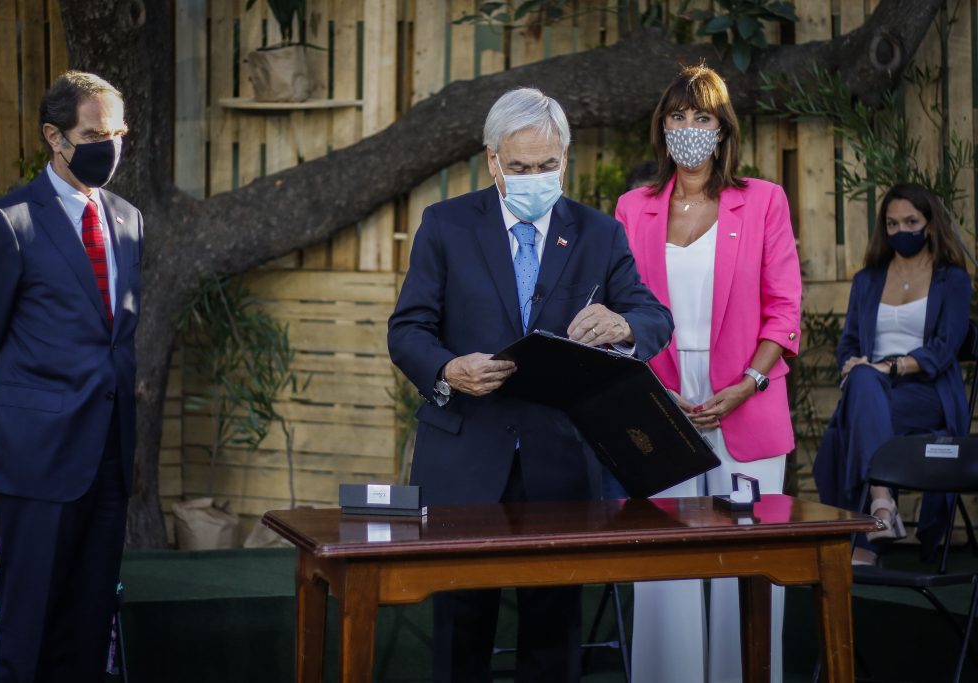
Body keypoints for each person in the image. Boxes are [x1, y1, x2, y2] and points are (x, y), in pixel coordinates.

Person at [388, 87, 673, 682]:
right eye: (520, 168)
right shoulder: (445, 225)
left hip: (560, 457)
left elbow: (654, 318)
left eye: (548, 166)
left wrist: (622, 325)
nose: (535, 177)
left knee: (553, 627)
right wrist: (446, 370)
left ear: (565, 158)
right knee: (460, 625)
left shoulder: (599, 233)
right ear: (493, 160)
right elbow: (408, 330)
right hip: (465, 452)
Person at [613, 64, 801, 683]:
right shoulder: (633, 208)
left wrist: (747, 384)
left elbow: (784, 311)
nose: (688, 128)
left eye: (701, 117)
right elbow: (620, 311)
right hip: (659, 405)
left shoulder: (764, 200)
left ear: (723, 129)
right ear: (660, 127)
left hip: (746, 403)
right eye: (676, 117)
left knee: (745, 574)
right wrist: (653, 391)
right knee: (665, 573)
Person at [0, 70, 142, 682]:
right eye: (93, 133)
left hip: (107, 456)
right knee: (28, 630)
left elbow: (116, 334)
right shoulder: (8, 223)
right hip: (35, 461)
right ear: (54, 138)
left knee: (89, 628)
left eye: (117, 133)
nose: (107, 146)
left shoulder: (128, 219)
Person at [813, 182, 971, 566]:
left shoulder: (952, 279)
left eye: (911, 221)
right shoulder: (868, 280)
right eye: (893, 224)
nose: (902, 231)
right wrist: (853, 368)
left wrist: (888, 366)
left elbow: (944, 348)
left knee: (855, 410)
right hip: (874, 390)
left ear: (930, 225)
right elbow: (849, 343)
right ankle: (882, 508)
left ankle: (871, 531)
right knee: (864, 385)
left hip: (927, 392)